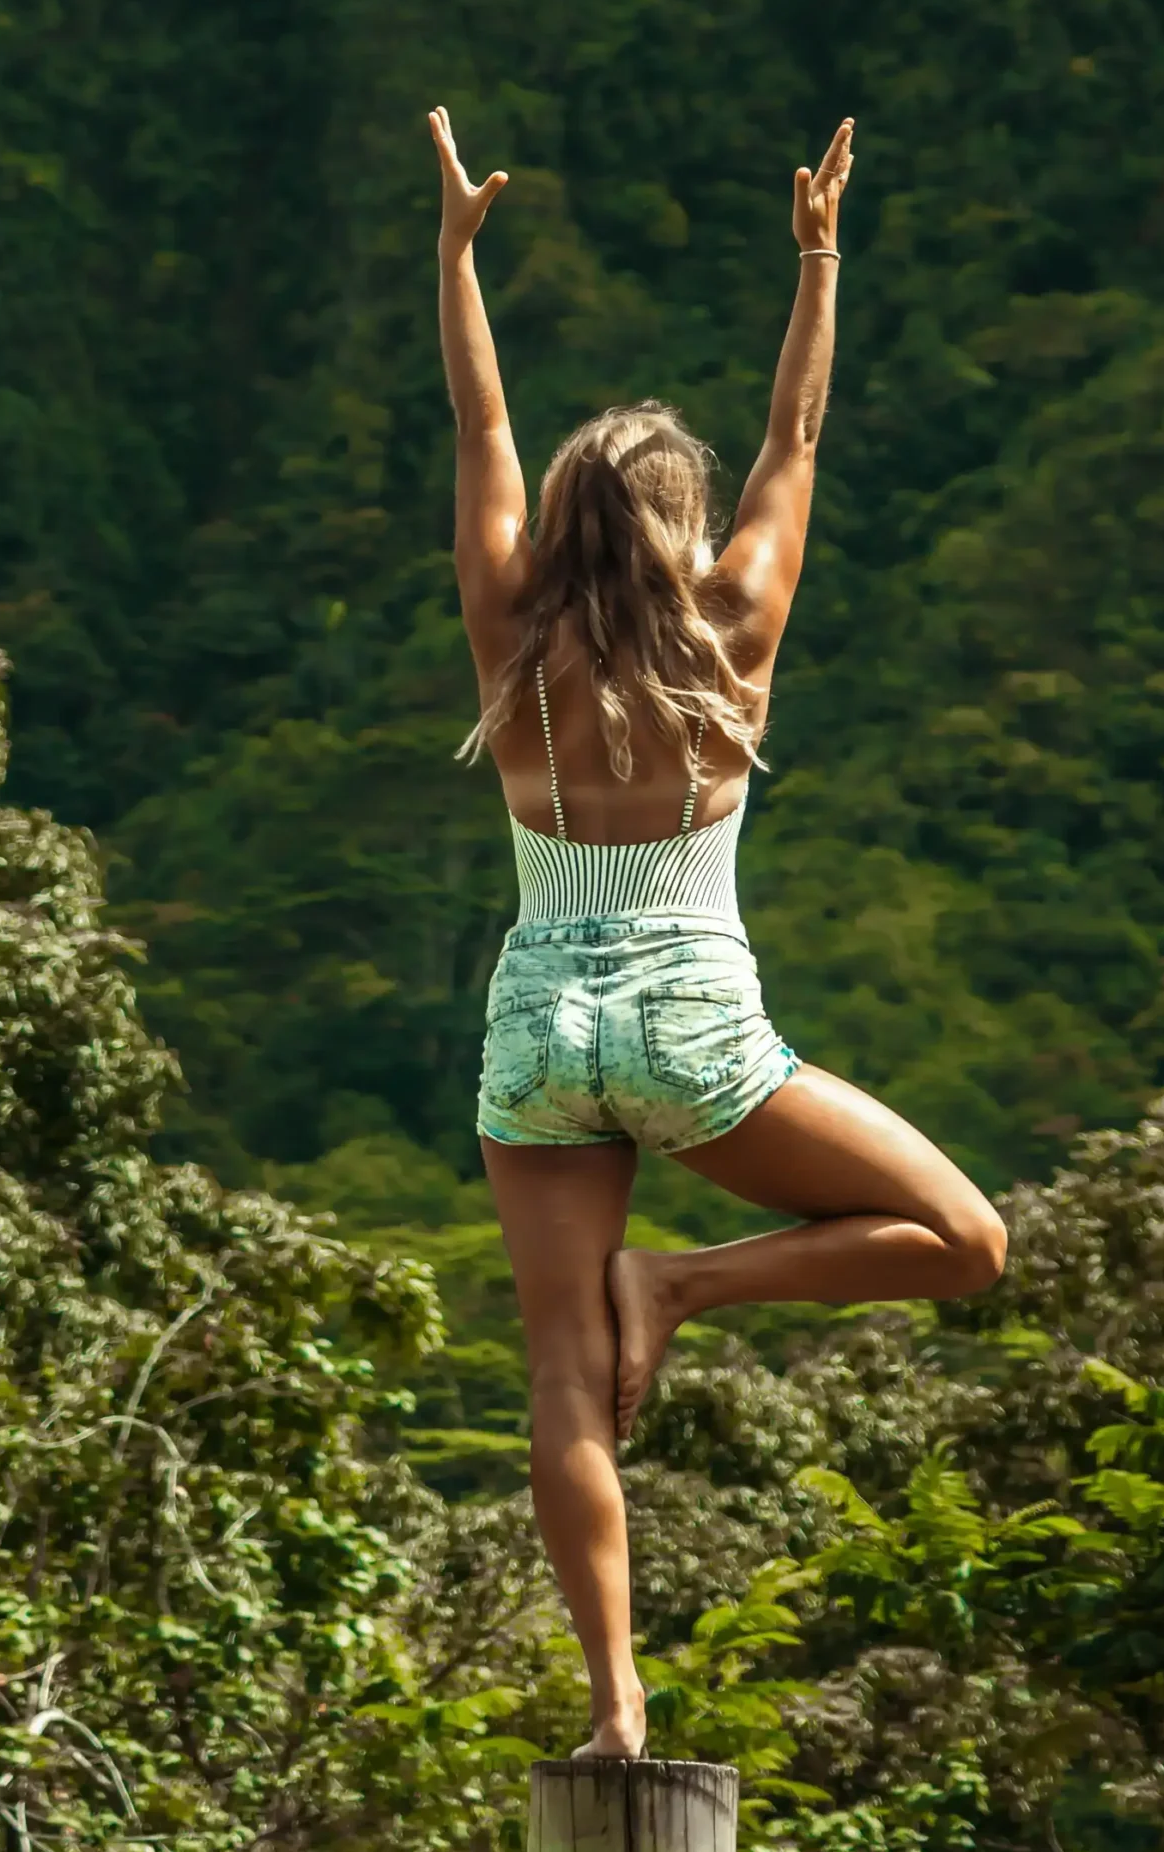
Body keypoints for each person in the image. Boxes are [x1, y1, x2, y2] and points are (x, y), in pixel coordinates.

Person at [431, 104, 1010, 1761]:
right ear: (682, 526)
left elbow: (477, 421)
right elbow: (797, 443)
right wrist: (820, 262)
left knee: (556, 1375)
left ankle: (617, 1704)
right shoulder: (735, 630)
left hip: (538, 1027)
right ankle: (684, 1287)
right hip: (693, 1026)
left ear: (561, 522)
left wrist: (458, 259)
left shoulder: (509, 638)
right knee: (966, 1243)